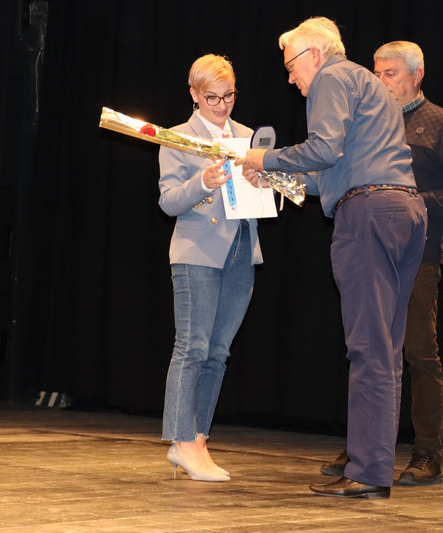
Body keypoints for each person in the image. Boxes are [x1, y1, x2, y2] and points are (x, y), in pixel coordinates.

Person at [239, 18, 427, 499]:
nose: (290, 79)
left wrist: (264, 159)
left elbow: (322, 148)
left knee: (368, 348)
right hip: (403, 209)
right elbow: (332, 171)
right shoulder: (368, 84)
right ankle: (373, 468)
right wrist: (276, 178)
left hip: (368, 213)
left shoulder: (331, 78)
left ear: (315, 55)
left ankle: (367, 472)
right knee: (385, 350)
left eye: (291, 66)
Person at [320, 41, 443, 487]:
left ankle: (427, 453)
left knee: (417, 352)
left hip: (418, 251)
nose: (380, 81)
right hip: (370, 243)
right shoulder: (367, 120)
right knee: (369, 346)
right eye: (376, 73)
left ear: (417, 74)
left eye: (389, 73)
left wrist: (405, 199)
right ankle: (365, 450)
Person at [159, 54, 262, 482]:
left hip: (242, 249)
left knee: (218, 353)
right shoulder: (178, 137)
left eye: (229, 95)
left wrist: (264, 184)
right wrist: (202, 182)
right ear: (194, 95)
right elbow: (168, 201)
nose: (222, 105)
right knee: (193, 349)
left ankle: (199, 439)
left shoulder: (248, 136)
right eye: (212, 97)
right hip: (197, 251)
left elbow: (259, 196)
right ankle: (181, 441)